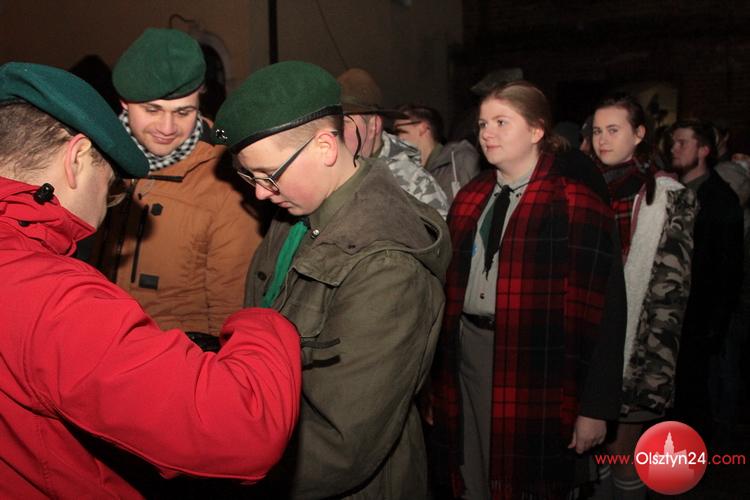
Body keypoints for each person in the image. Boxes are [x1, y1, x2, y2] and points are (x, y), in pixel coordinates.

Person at [0, 62, 300, 498]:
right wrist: (266, 322)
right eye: (109, 187)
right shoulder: (51, 296)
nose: (104, 211)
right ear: (77, 158)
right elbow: (246, 428)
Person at [212, 60, 450, 498]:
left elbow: (340, 445)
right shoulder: (296, 210)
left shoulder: (386, 265)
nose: (260, 192)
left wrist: (222, 468)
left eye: (268, 175)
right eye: (250, 176)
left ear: (325, 146)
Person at [431, 80, 626, 499]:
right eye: (483, 123)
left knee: (529, 482)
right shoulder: (470, 198)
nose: (487, 133)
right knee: (471, 475)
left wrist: (595, 407)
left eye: (502, 122)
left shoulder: (574, 203)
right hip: (468, 354)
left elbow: (607, 311)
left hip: (539, 363)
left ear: (537, 130)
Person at [91, 28, 263, 347]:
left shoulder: (226, 181)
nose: (168, 128)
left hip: (179, 359)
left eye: (183, 112)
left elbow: (231, 315)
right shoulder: (96, 162)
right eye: (152, 110)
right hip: (98, 344)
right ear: (124, 102)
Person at [590, 94, 696, 500]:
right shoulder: (587, 188)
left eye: (613, 130)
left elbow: (671, 290)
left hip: (638, 349)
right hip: (593, 339)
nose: (602, 139)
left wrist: (652, 366)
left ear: (638, 134)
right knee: (593, 452)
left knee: (623, 451)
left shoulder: (665, 194)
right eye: (596, 131)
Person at [667, 119, 744, 442]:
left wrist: (714, 325)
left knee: (695, 396)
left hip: (698, 318)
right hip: (672, 314)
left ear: (704, 150)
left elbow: (727, 267)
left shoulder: (719, 199)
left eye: (682, 143)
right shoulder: (671, 191)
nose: (674, 148)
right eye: (673, 142)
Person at [336, 68, 450, 218]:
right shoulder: (328, 170)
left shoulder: (414, 183)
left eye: (344, 123)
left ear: (373, 126)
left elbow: (438, 230)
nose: (334, 132)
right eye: (332, 123)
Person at [395, 103, 480, 204]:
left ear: (422, 128)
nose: (395, 138)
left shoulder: (458, 159)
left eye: (399, 131)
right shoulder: (411, 174)